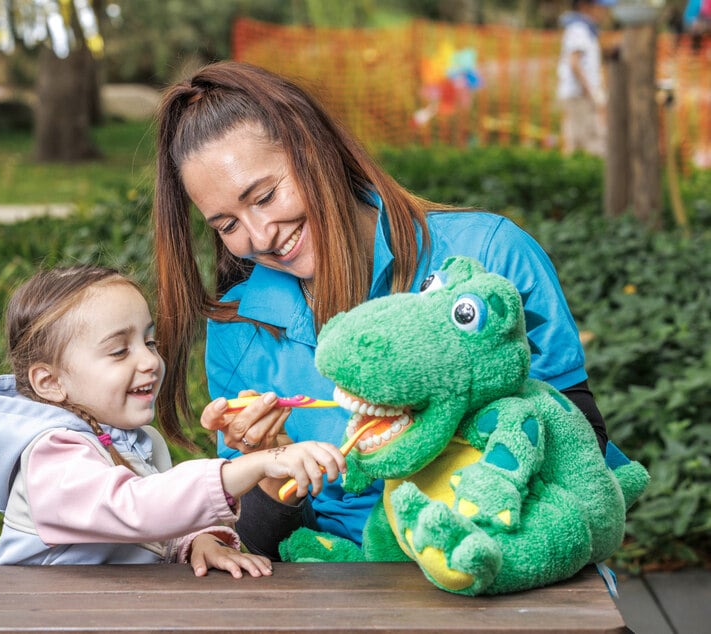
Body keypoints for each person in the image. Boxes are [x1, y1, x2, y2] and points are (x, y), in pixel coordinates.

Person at [151, 61, 611, 560]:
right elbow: (253, 547)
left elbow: (584, 445)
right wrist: (270, 468)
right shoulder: (237, 328)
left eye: (265, 196)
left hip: (502, 559)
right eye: (226, 225)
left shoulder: (489, 253)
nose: (260, 237)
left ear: (314, 148)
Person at [0, 264, 346, 576]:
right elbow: (132, 509)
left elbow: (154, 527)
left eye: (149, 343)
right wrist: (255, 464)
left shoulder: (136, 440)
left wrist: (197, 541)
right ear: (50, 382)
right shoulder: (51, 457)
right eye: (119, 351)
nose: (150, 361)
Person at [556, 0, 613, 157]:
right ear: (585, 6)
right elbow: (574, 62)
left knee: (584, 139)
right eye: (601, 8)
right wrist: (591, 93)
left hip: (583, 94)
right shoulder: (579, 29)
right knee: (585, 140)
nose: (604, 12)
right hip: (579, 95)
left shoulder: (588, 30)